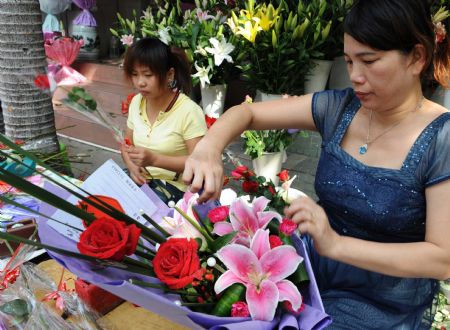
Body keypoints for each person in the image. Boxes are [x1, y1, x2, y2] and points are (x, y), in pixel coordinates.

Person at [182, 0, 450, 328]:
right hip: (309, 269)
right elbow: (248, 112)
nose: (355, 77)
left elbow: (442, 259)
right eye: (349, 61)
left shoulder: (441, 137)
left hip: (379, 301)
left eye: (369, 61)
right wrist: (208, 148)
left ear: (417, 57)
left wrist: (337, 245)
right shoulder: (339, 108)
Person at [121, 37, 207, 202]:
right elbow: (127, 145)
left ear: (169, 75)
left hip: (175, 191)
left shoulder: (188, 111)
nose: (140, 82)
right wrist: (132, 167)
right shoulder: (136, 102)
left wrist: (155, 160)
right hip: (140, 183)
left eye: (148, 75)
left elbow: (200, 162)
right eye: (134, 74)